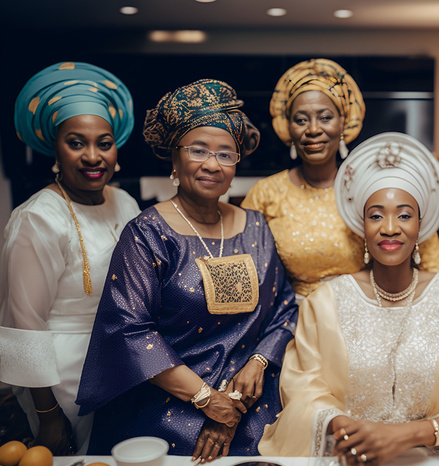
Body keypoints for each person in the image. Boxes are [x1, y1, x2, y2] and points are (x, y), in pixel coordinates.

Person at [259, 132, 439, 464]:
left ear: (421, 225)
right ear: (362, 226)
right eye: (376, 215)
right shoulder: (323, 304)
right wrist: (354, 432)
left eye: (404, 215)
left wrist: (406, 435)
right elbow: (302, 388)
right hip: (351, 454)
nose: (390, 228)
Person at [75, 79, 298, 460]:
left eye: (226, 154)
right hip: (167, 404)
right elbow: (130, 331)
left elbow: (284, 309)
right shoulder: (147, 233)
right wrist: (205, 398)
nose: (213, 164)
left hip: (249, 400)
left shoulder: (257, 226)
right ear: (175, 159)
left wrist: (258, 362)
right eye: (199, 150)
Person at [0, 62, 139, 455]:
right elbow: (22, 324)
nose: (93, 156)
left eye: (104, 143)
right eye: (77, 143)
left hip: (122, 367)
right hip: (62, 380)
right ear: (55, 149)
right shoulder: (39, 217)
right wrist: (47, 414)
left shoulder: (125, 201)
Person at [241, 58, 439, 298]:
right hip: (293, 320)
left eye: (325, 117)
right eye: (301, 119)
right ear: (289, 127)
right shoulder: (265, 193)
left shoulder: (374, 187)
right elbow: (249, 272)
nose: (313, 130)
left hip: (368, 316)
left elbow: (430, 263)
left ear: (343, 123)